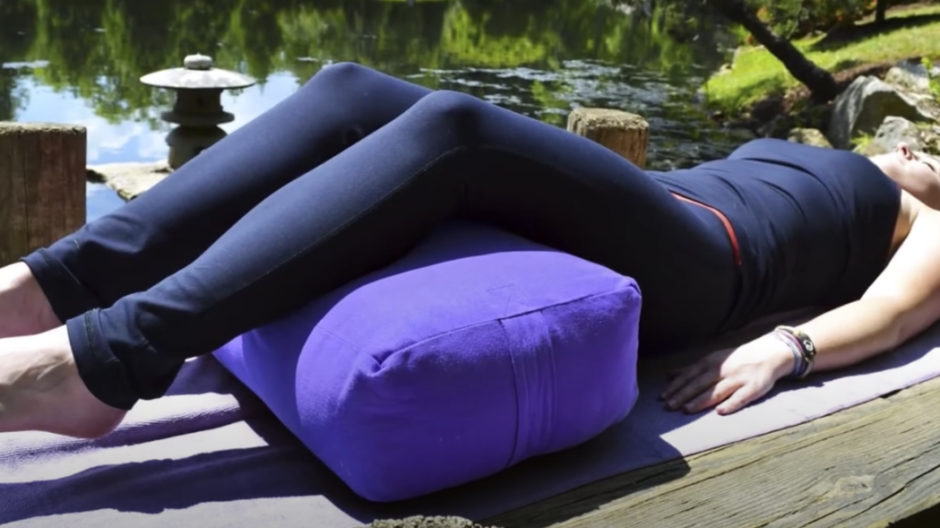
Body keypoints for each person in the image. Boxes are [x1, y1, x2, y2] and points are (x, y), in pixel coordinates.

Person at [1, 62, 939, 439]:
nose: (912, 149)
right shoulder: (832, 157)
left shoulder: (929, 222)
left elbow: (896, 313)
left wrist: (791, 348)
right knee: (349, 91)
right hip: (659, 210)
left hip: (710, 264)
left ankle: (103, 359)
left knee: (457, 126)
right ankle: (47, 286)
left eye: (931, 154)